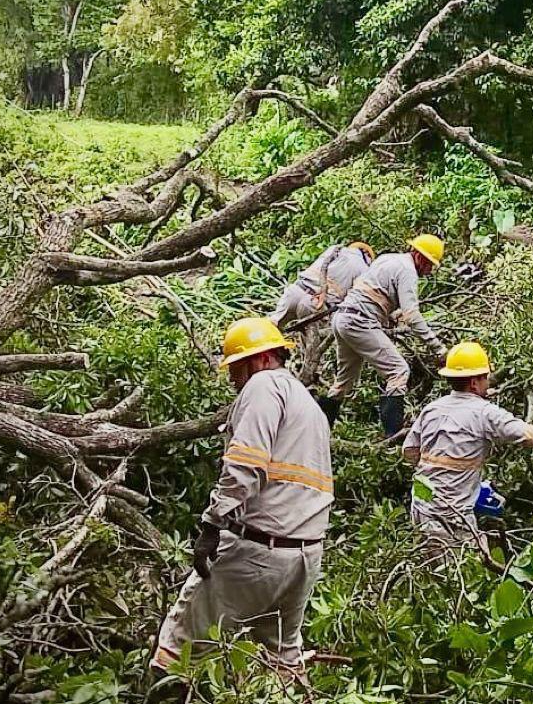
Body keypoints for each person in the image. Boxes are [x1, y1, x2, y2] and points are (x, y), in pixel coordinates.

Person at [152, 317, 332, 672]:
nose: (234, 380)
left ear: (260, 360)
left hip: (258, 551)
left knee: (177, 649)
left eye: (236, 368)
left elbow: (244, 466)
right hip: (305, 556)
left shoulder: (264, 386)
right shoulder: (309, 405)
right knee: (282, 660)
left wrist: (211, 525)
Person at [402, 341, 533, 545]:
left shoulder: (432, 409)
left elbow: (409, 452)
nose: (488, 381)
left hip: (421, 507)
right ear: (474, 382)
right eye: (485, 377)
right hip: (452, 516)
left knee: (429, 569)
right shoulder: (485, 412)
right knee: (469, 566)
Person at [317, 234, 447, 434]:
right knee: (398, 371)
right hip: (359, 322)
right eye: (430, 265)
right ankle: (392, 436)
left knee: (344, 382)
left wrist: (388, 315)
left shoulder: (388, 258)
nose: (429, 271)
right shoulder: (408, 271)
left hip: (342, 318)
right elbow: (411, 315)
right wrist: (438, 348)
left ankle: (318, 429)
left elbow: (372, 292)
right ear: (420, 257)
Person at [268, 241, 375, 330]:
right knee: (309, 345)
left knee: (272, 329)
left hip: (295, 292)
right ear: (367, 255)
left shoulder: (335, 249)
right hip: (315, 305)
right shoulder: (364, 270)